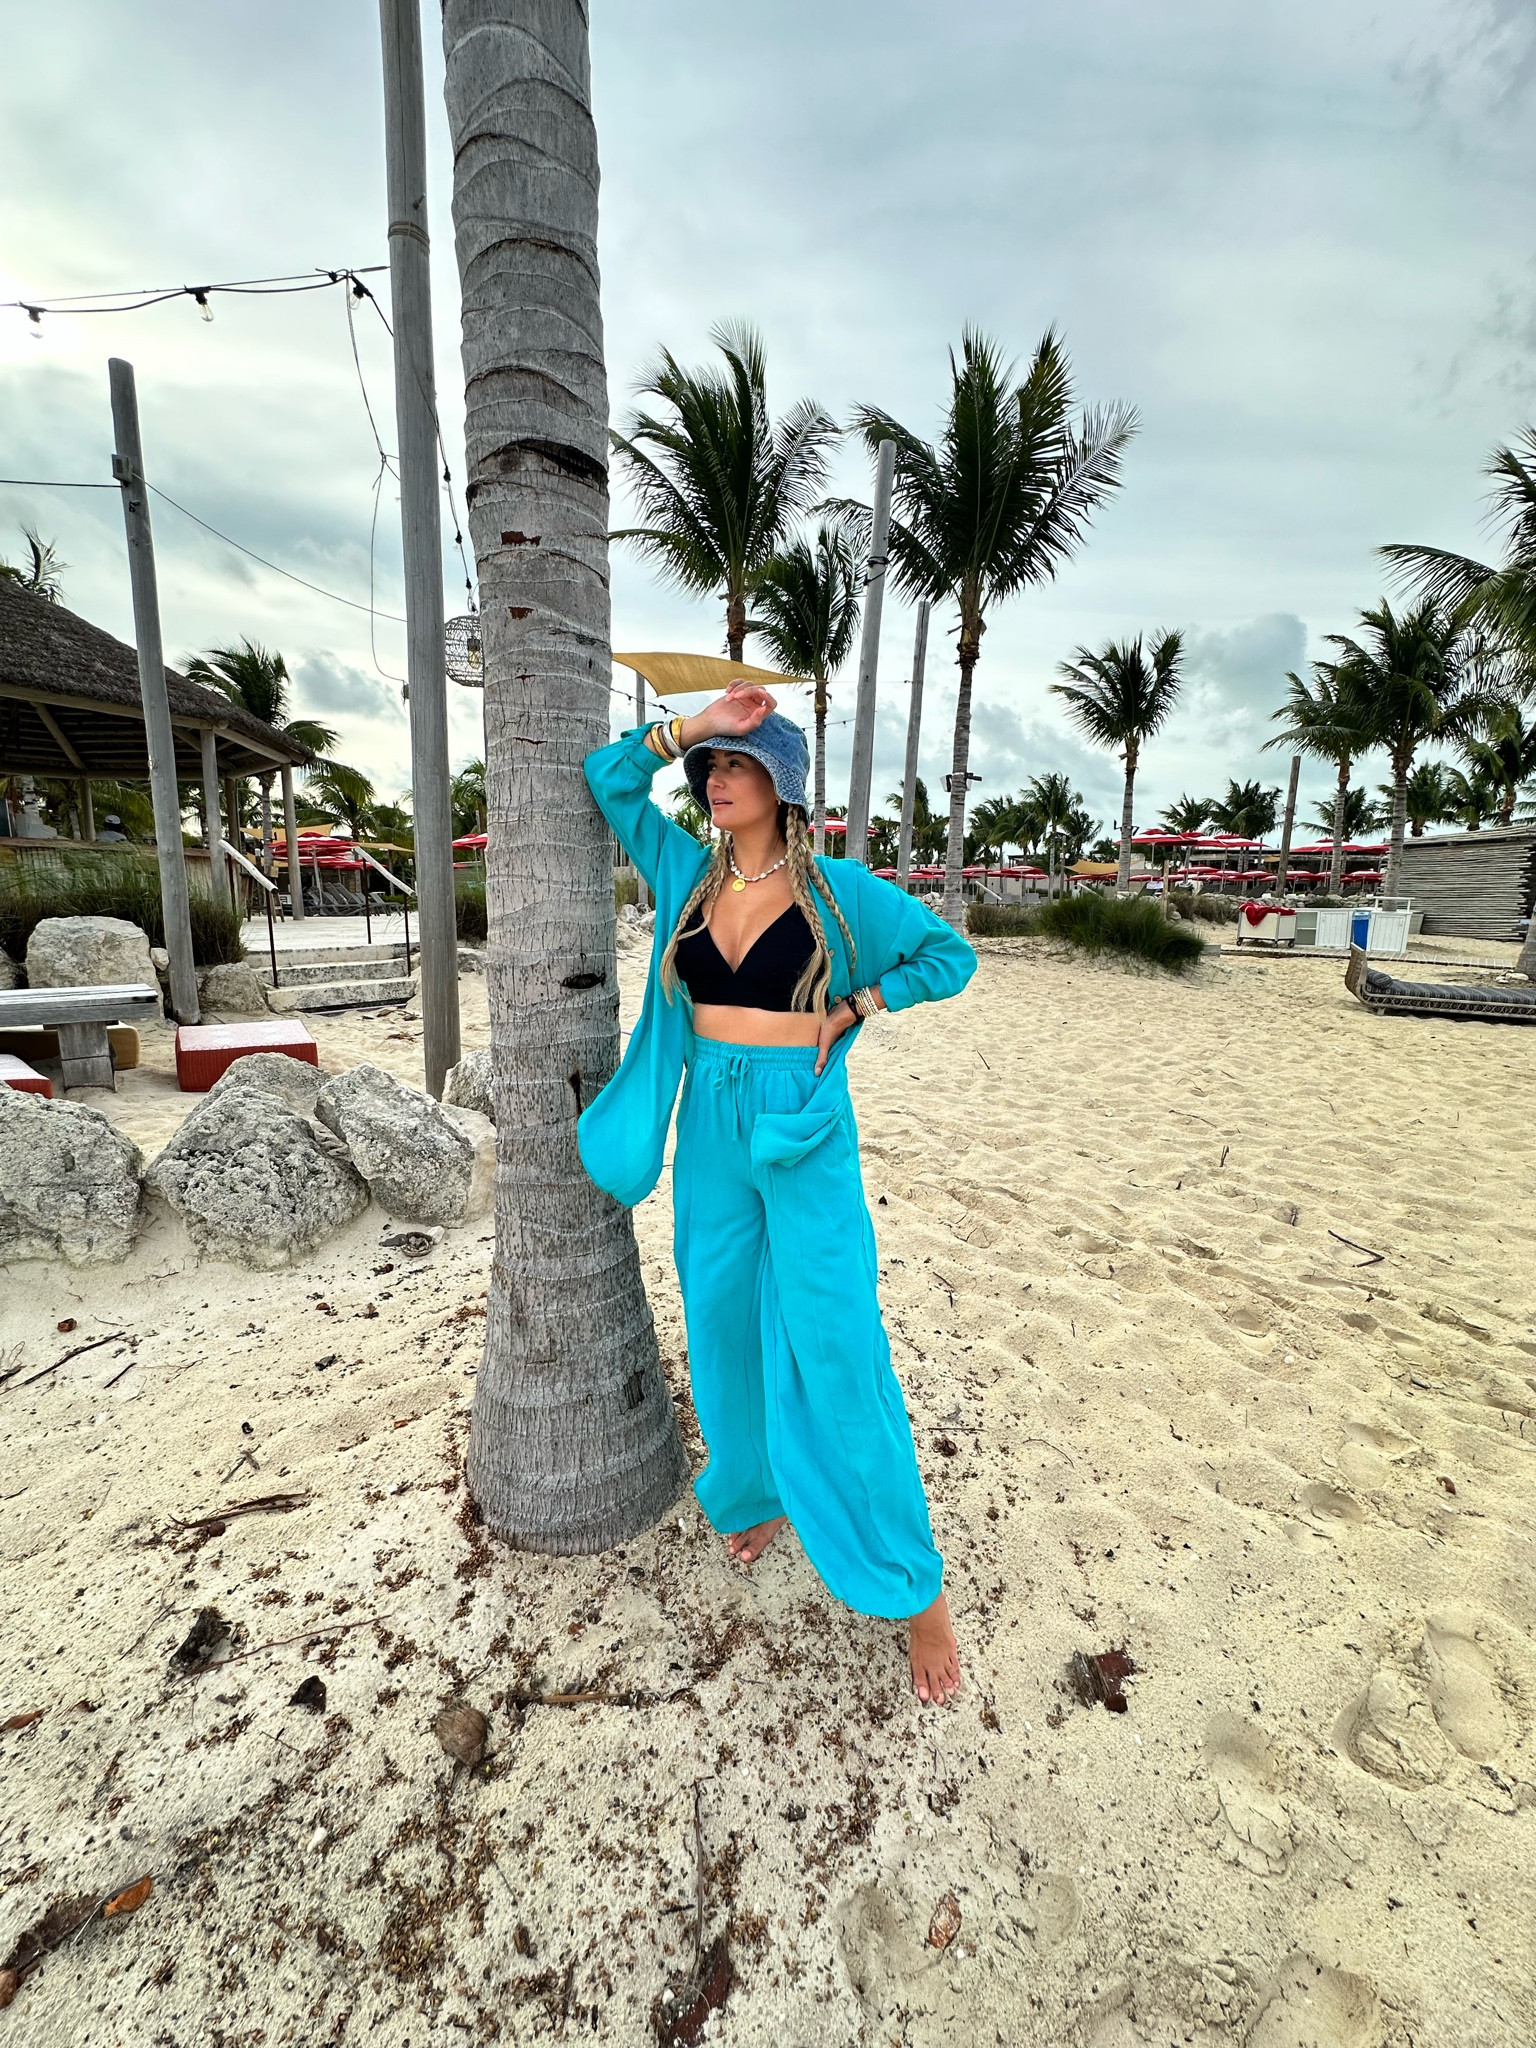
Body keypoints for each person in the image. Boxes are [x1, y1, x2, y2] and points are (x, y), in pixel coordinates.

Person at [580, 682, 976, 1705]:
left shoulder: (841, 892)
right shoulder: (684, 871)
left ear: (783, 787)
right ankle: (752, 1490)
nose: (715, 781)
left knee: (836, 1336)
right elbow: (608, 777)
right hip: (708, 1120)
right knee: (717, 1319)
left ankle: (914, 1585)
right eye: (712, 767)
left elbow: (951, 953)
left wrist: (863, 998)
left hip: (800, 1129)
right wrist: (696, 724)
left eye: (738, 765)